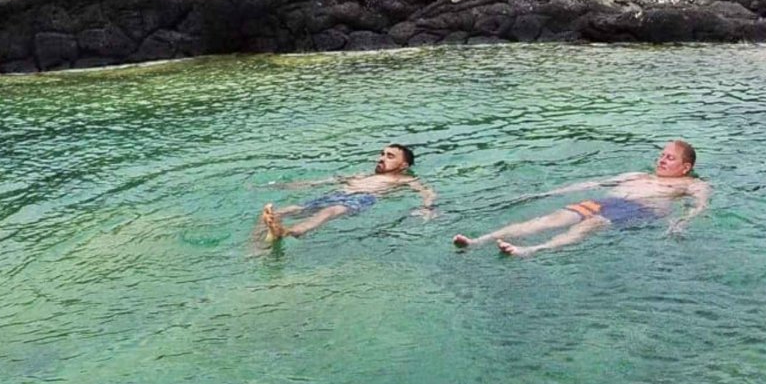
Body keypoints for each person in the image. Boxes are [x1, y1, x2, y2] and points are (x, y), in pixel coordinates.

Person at [452, 140, 710, 257]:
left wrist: (681, 223)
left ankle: (532, 250)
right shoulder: (638, 175)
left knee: (591, 224)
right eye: (662, 155)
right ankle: (478, 241)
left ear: (685, 167)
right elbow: (594, 183)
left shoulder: (693, 184)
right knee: (551, 219)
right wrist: (552, 192)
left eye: (670, 158)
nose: (662, 160)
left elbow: (700, 206)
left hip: (639, 210)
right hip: (606, 202)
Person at [257, 143, 435, 243]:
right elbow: (322, 182)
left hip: (361, 198)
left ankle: (289, 232)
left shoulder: (402, 179)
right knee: (279, 212)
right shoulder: (362, 175)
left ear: (404, 165)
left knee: (331, 211)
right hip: (336, 195)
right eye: (382, 154)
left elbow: (427, 192)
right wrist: (283, 186)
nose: (381, 158)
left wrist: (426, 209)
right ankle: (258, 247)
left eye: (390, 156)